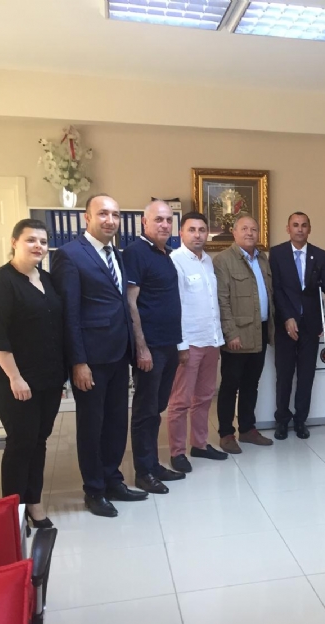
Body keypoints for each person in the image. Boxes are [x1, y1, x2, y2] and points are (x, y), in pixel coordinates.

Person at [52, 194, 147, 518]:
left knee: (116, 422)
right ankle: (94, 489)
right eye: (103, 213)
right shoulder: (69, 255)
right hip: (91, 358)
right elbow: (70, 313)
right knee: (92, 426)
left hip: (119, 353)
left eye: (115, 215)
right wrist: (78, 362)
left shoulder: (116, 253)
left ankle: (113, 480)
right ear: (87, 218)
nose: (110, 220)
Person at [0, 218, 65, 529]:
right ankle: (12, 514)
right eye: (31, 240)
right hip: (11, 378)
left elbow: (54, 328)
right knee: (21, 442)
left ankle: (34, 502)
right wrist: (15, 378)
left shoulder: (47, 280)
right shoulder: (0, 281)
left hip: (47, 377)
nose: (38, 246)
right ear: (14, 242)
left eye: (43, 241)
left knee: (39, 440)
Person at [123, 200, 185, 494]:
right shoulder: (136, 253)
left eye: (169, 220)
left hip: (168, 344)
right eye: (158, 219)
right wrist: (142, 348)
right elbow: (130, 302)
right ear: (144, 223)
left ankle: (153, 463)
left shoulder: (166, 254)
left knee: (158, 407)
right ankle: (144, 472)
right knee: (146, 410)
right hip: (151, 347)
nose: (164, 224)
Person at [167, 212, 229, 470]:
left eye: (202, 230)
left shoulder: (208, 262)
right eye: (191, 230)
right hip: (189, 343)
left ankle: (200, 445)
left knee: (204, 397)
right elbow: (175, 306)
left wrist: (218, 338)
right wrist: (180, 345)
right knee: (180, 401)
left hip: (211, 340)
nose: (197, 235)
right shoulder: (175, 261)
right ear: (181, 233)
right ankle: (177, 452)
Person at [269, 211, 325, 440]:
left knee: (306, 376)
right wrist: (287, 317)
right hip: (285, 325)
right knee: (284, 375)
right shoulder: (277, 254)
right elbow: (276, 289)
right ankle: (282, 420)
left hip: (311, 325)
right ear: (288, 229)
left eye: (304, 225)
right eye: (295, 225)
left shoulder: (320, 255)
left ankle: (301, 420)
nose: (300, 229)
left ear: (310, 229)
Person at [214, 215, 275, 454]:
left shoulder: (262, 258)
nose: (250, 233)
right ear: (234, 232)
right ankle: (226, 433)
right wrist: (230, 333)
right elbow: (222, 300)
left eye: (254, 229)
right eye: (245, 228)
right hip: (237, 335)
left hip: (259, 331)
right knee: (230, 385)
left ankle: (248, 429)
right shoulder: (223, 260)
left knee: (252, 383)